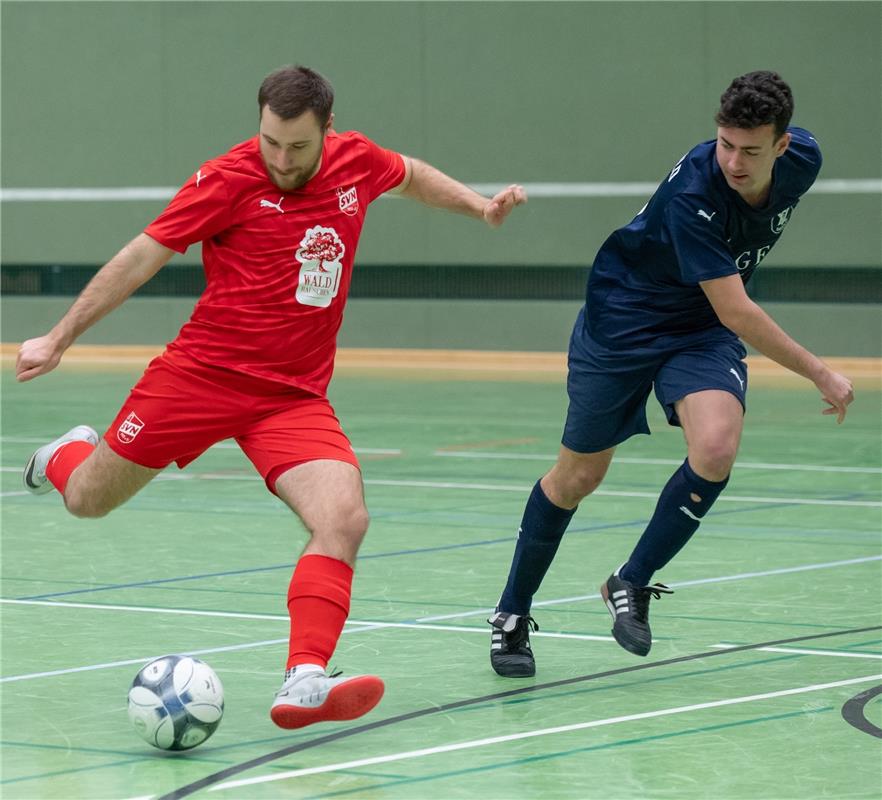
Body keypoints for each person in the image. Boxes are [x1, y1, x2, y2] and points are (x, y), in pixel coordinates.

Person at [17, 65, 526, 727]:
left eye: (298, 148)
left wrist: (479, 205)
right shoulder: (226, 179)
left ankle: (304, 678)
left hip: (292, 397)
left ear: (328, 133)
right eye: (271, 143)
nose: (282, 160)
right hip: (200, 377)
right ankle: (65, 455)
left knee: (343, 519)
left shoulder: (356, 162)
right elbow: (141, 256)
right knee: (86, 498)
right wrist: (60, 337)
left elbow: (410, 173)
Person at [488, 70, 854, 677]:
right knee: (579, 477)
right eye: (725, 144)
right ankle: (510, 615)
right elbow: (738, 310)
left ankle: (631, 581)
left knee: (715, 446)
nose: (734, 161)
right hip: (623, 321)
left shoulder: (804, 160)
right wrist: (819, 373)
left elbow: (721, 311)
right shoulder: (696, 197)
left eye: (751, 150)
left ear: (783, 146)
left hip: (698, 328)